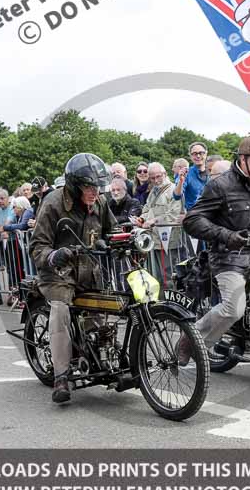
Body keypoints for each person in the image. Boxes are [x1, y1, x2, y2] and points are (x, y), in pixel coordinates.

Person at [181, 133, 250, 365]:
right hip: (229, 258)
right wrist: (227, 236)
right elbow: (192, 220)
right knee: (233, 308)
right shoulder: (220, 185)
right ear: (243, 158)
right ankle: (191, 338)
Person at [29, 152, 115, 403]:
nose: (94, 192)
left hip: (89, 271)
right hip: (58, 274)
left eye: (98, 186)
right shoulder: (53, 203)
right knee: (60, 312)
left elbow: (112, 230)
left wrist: (126, 239)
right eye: (89, 186)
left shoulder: (100, 202)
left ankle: (103, 356)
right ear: (75, 185)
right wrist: (54, 255)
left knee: (106, 311)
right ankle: (61, 376)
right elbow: (37, 246)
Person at [135, 162, 183, 287]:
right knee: (156, 276)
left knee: (168, 276)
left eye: (158, 176)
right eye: (152, 178)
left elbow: (173, 215)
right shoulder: (153, 192)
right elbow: (147, 209)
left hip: (168, 241)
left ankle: (170, 304)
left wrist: (154, 220)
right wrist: (141, 219)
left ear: (165, 174)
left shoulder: (174, 189)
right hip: (154, 241)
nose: (156, 180)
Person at [173, 142, 210, 211]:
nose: (198, 156)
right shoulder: (186, 173)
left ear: (206, 154)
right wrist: (181, 181)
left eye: (201, 153)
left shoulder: (212, 172)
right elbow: (176, 196)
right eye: (195, 154)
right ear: (190, 156)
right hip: (194, 214)